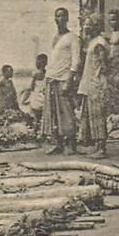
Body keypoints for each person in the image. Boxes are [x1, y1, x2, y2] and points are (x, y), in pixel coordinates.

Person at [41, 8, 80, 155]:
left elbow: (76, 61)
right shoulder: (55, 37)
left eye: (63, 16)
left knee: (66, 113)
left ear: (67, 18)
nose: (60, 19)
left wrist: (69, 80)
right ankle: (57, 143)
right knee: (53, 114)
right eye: (57, 16)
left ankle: (71, 144)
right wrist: (46, 79)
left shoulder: (72, 38)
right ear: (55, 19)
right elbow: (53, 61)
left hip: (63, 79)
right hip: (52, 78)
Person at [77, 14, 111, 158]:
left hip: (96, 83)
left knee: (98, 115)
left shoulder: (99, 43)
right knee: (92, 115)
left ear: (96, 26)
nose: (86, 27)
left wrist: (99, 80)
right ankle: (96, 146)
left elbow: (104, 65)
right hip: (91, 82)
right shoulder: (93, 42)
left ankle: (102, 149)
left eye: (89, 24)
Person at [19, 53, 47, 130]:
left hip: (36, 97)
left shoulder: (35, 74)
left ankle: (33, 129)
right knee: (42, 116)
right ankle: (40, 130)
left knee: (33, 114)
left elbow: (30, 88)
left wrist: (24, 99)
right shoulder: (47, 74)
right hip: (44, 97)